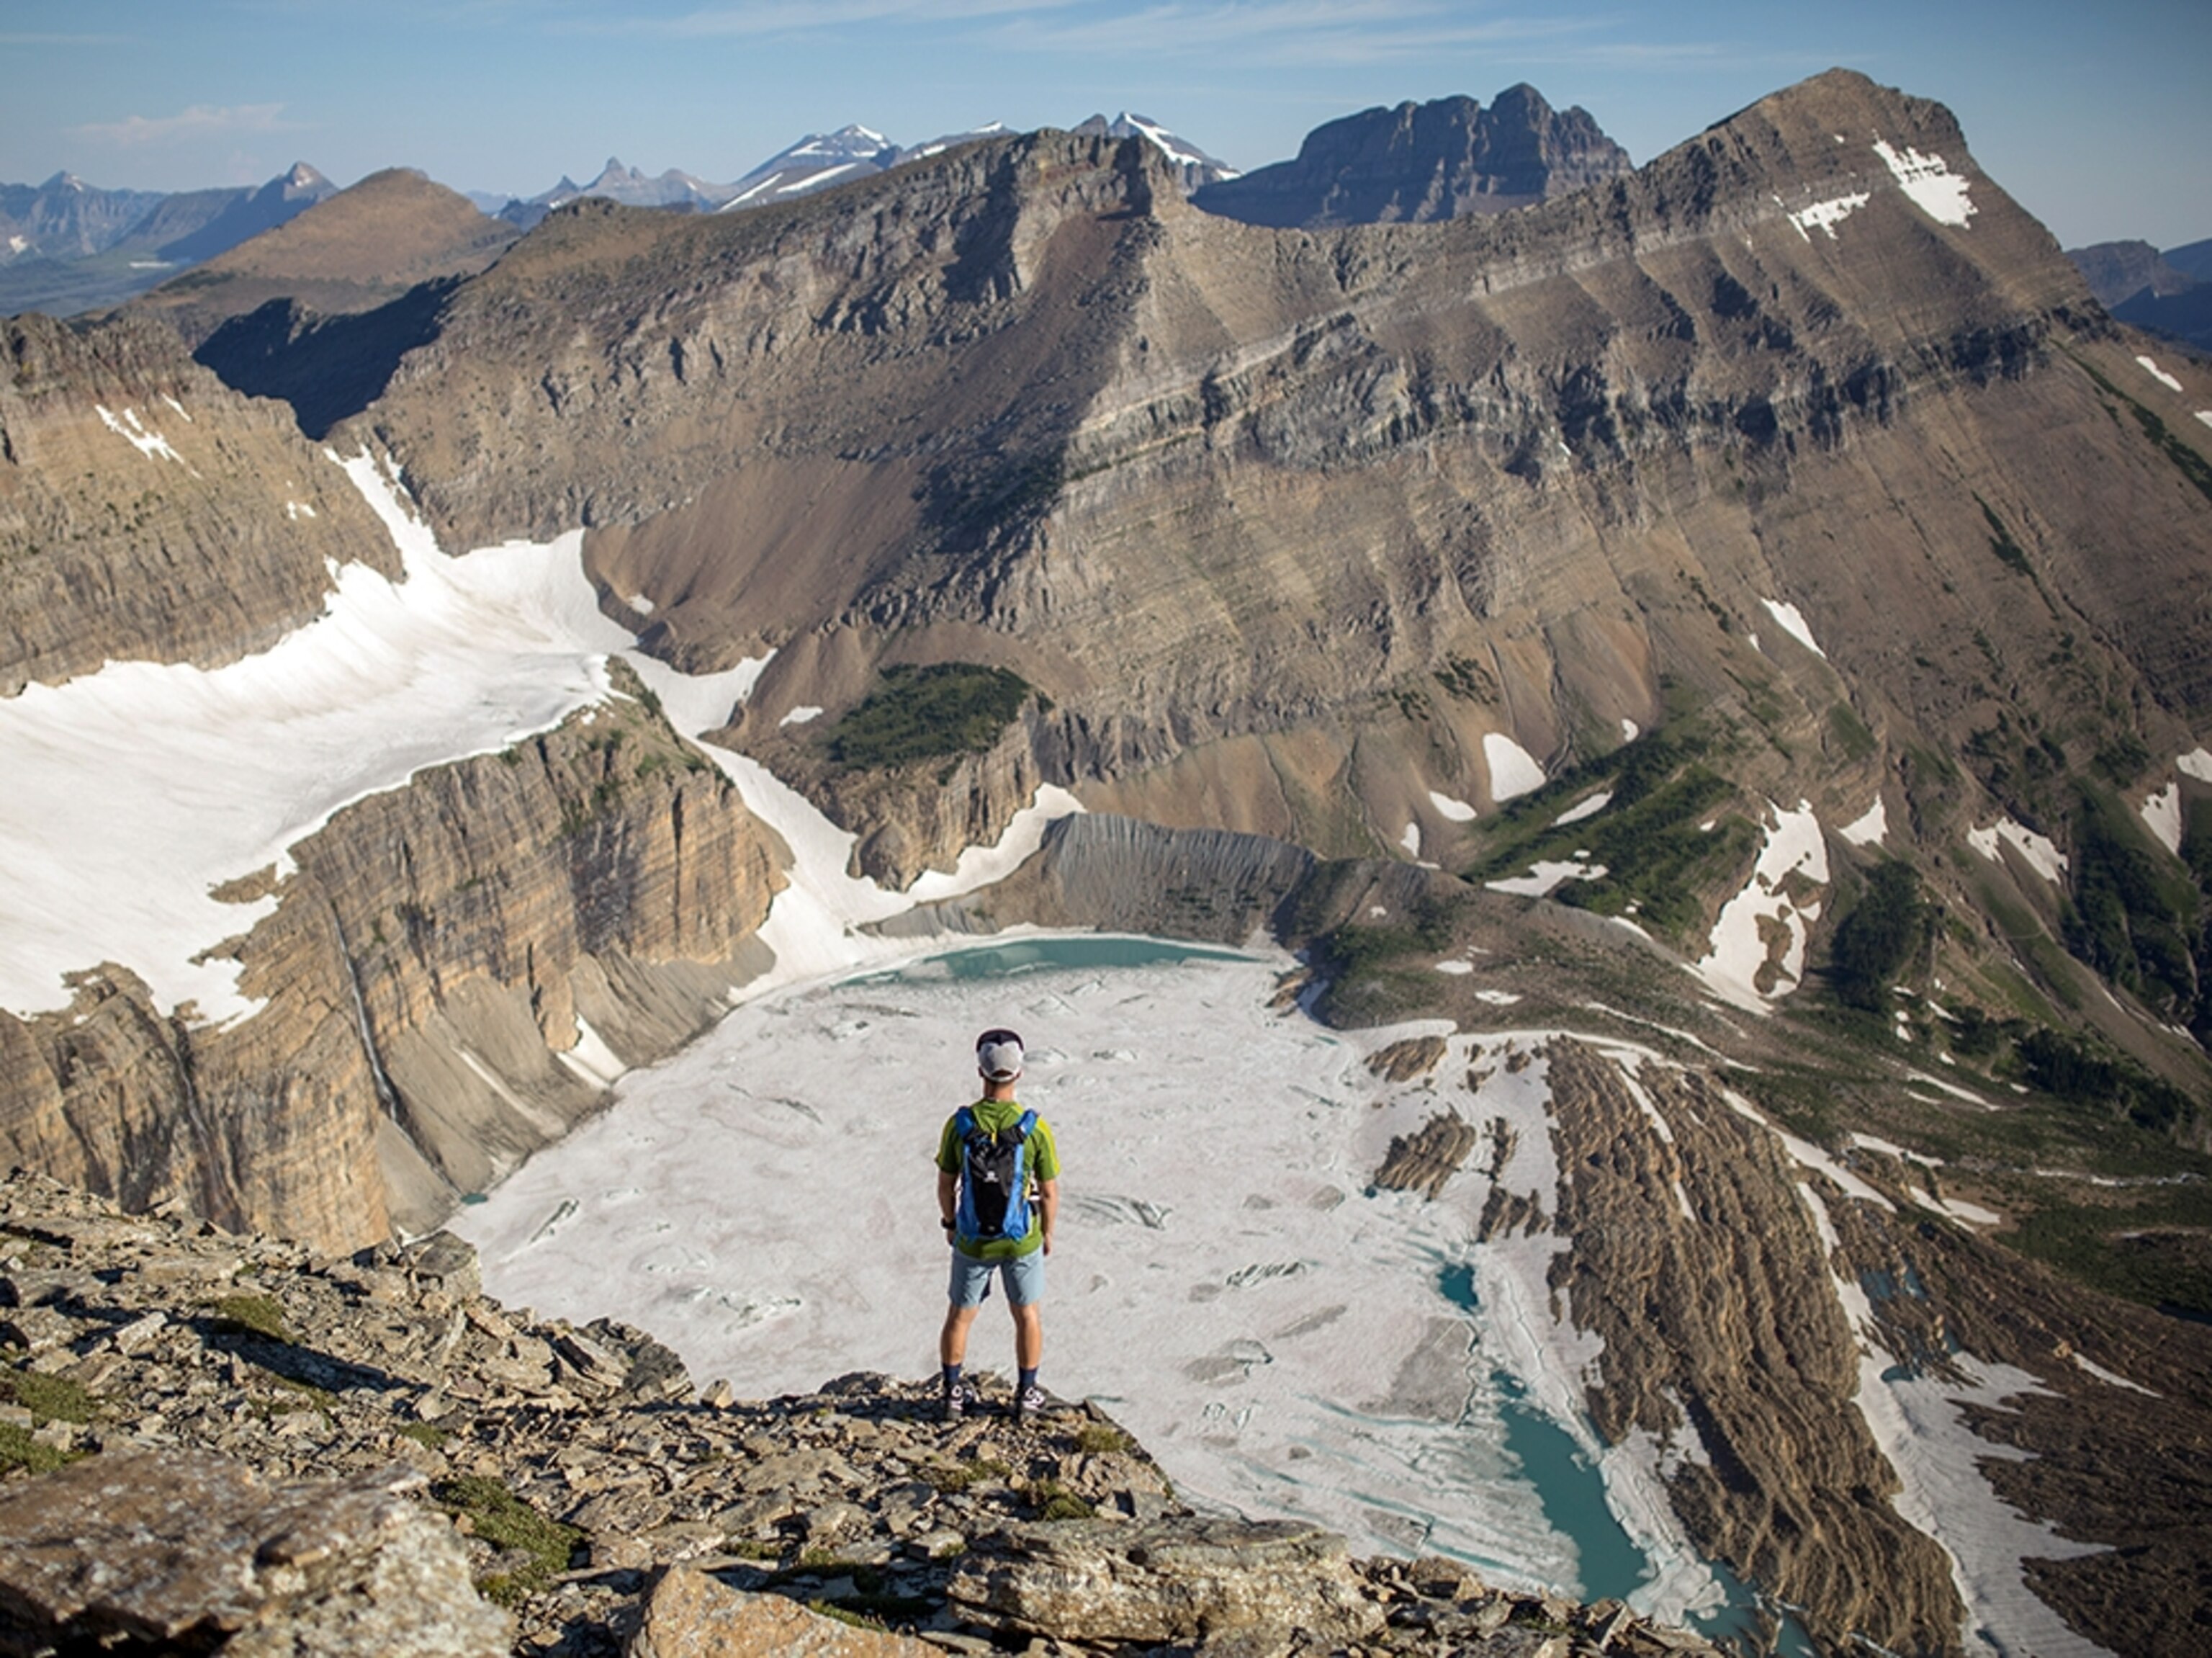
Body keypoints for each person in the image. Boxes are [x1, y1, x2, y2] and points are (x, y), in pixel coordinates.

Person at [937, 1026, 1060, 1422]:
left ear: (981, 1070)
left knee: (960, 1313)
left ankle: (953, 1394)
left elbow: (945, 1183)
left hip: (973, 1238)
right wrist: (1047, 1233)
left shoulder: (960, 1125)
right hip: (1020, 1237)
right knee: (1027, 1314)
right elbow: (1050, 1190)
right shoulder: (1033, 1127)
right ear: (1019, 1073)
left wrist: (952, 1224)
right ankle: (1027, 1395)